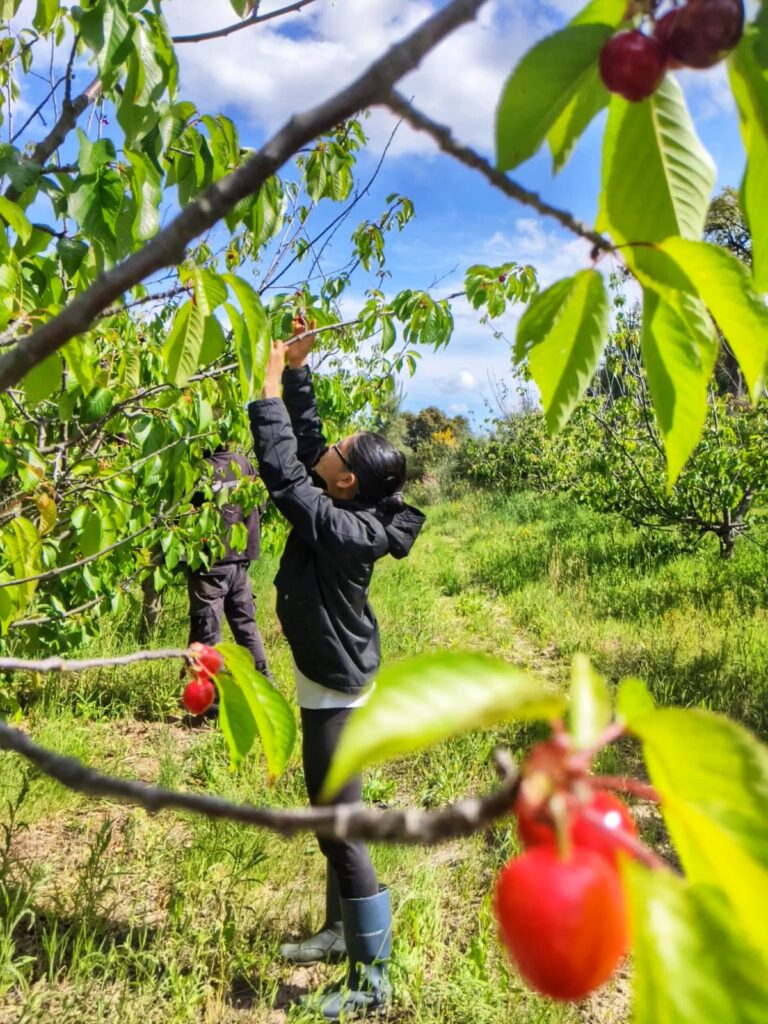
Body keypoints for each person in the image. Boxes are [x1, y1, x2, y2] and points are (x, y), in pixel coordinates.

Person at [247, 323, 425, 1020]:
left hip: (337, 693)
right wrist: (296, 373)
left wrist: (265, 390)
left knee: (337, 825)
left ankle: (371, 979)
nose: (331, 448)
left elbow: (288, 474)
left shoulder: (342, 526)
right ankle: (335, 934)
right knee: (331, 817)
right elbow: (313, 445)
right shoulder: (346, 502)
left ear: (346, 480)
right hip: (330, 678)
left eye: (341, 453)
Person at [186, 443, 272, 682]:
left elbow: (182, 513)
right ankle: (265, 682)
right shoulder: (242, 463)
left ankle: (212, 701)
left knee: (209, 632)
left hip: (210, 563)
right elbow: (260, 503)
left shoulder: (200, 469)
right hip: (240, 559)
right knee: (246, 624)